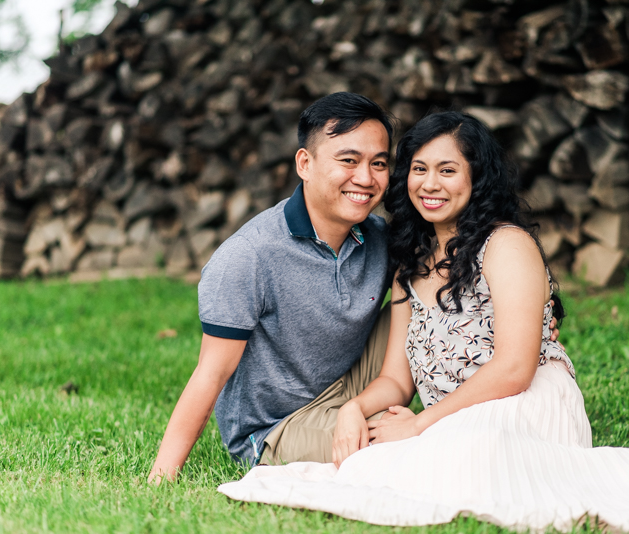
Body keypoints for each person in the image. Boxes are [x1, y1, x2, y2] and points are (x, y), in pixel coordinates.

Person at [218, 112, 629, 533]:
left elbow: (516, 367)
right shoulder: (409, 263)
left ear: (476, 178)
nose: (431, 184)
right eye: (419, 170)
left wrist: (419, 425)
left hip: (525, 399)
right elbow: (396, 380)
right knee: (376, 462)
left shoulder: (507, 245)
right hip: (454, 412)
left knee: (461, 458)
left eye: (448, 170)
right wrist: (354, 411)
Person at [148, 93, 562, 482]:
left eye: (379, 163)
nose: (364, 178)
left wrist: (537, 325)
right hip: (279, 424)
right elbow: (210, 373)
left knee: (416, 321)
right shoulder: (248, 256)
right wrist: (161, 478)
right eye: (348, 160)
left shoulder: (385, 241)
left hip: (351, 386)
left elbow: (475, 295)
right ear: (304, 163)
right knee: (398, 453)